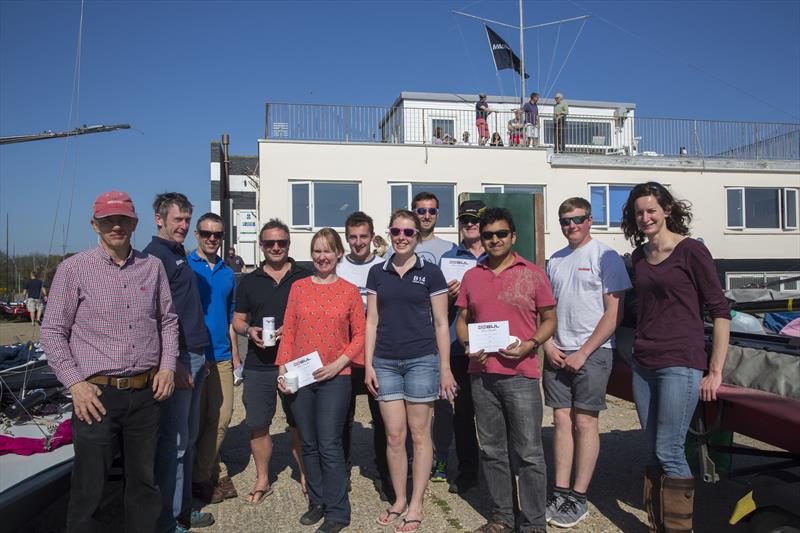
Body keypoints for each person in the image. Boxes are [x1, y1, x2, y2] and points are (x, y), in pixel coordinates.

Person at [41, 190, 178, 533]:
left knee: (143, 484)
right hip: (96, 397)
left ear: (134, 222)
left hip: (145, 393)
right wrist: (75, 384)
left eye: (122, 219)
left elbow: (168, 321)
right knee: (90, 487)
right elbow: (53, 331)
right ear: (95, 224)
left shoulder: (153, 267)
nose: (115, 226)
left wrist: (167, 366)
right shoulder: (74, 269)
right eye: (107, 220)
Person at [620, 182, 731, 533]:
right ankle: (659, 525)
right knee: (653, 450)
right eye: (639, 212)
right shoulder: (638, 258)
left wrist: (715, 371)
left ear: (667, 210)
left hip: (681, 362)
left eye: (651, 210)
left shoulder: (691, 251)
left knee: (670, 449)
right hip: (644, 361)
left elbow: (720, 310)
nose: (645, 217)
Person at [455, 207, 557, 533]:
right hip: (482, 374)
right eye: (488, 235)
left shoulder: (533, 273)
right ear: (481, 239)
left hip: (521, 374)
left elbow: (550, 319)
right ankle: (502, 517)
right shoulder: (472, 275)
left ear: (513, 236)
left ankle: (533, 524)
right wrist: (468, 345)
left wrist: (531, 344)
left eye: (501, 234)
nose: (495, 240)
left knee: (528, 453)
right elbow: (462, 321)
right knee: (492, 451)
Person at [543, 197, 632, 528]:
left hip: (592, 352)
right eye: (565, 220)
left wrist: (584, 352)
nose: (571, 225)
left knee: (585, 422)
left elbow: (614, 313)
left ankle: (579, 497)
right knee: (561, 422)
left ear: (590, 220)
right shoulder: (555, 260)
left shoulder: (606, 256)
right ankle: (560, 489)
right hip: (558, 351)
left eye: (577, 219)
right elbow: (546, 310)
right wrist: (548, 345)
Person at [365, 209, 456, 533]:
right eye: (396, 231)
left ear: (417, 236)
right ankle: (400, 499)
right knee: (393, 436)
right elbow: (371, 321)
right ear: (389, 234)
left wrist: (445, 369)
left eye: (408, 232)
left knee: (419, 436)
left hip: (422, 361)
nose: (401, 237)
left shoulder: (431, 273)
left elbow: (443, 323)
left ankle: (416, 504)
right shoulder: (377, 273)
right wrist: (368, 365)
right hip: (386, 363)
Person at [277, 228, 365, 533]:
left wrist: (340, 362)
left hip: (335, 376)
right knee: (309, 443)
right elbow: (288, 331)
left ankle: (338, 512)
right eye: (317, 250)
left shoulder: (350, 291)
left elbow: (362, 335)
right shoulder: (299, 288)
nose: (322, 256)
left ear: (339, 254)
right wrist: (282, 370)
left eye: (328, 250)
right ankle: (317, 501)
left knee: (329, 444)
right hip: (300, 377)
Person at [144, 192, 214, 532]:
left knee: (187, 440)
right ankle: (167, 520)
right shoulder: (153, 258)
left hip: (196, 354)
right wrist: (173, 364)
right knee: (174, 445)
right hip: (180, 359)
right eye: (177, 220)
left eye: (187, 220)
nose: (184, 226)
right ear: (159, 219)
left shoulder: (177, 255)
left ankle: (183, 511)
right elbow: (156, 319)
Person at [231, 219, 310, 505]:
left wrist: (294, 330)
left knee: (299, 423)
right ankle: (263, 477)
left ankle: (305, 475)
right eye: (269, 243)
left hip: (295, 362)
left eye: (281, 242)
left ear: (289, 244)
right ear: (262, 246)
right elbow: (238, 320)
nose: (276, 247)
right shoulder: (250, 281)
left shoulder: (304, 276)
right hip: (259, 364)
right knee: (258, 424)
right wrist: (249, 330)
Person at [336, 211, 392, 501]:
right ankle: (341, 472)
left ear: (372, 237)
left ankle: (384, 473)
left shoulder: (384, 267)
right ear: (347, 238)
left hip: (376, 354)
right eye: (353, 237)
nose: (358, 242)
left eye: (363, 236)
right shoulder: (337, 266)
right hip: (344, 355)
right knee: (342, 418)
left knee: (381, 418)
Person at [189, 213, 242, 505]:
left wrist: (235, 356)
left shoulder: (226, 273)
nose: (212, 239)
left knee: (221, 419)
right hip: (194, 356)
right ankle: (212, 474)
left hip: (221, 357)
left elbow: (230, 318)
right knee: (198, 421)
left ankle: (200, 476)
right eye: (207, 233)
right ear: (197, 234)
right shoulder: (186, 267)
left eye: (217, 235)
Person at [436, 199, 486, 494]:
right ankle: (468, 470)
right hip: (459, 347)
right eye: (465, 220)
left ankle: (498, 468)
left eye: (475, 220)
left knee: (494, 412)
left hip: (491, 345)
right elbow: (437, 307)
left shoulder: (496, 253)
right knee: (463, 413)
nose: (469, 225)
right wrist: (449, 295)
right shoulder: (449, 258)